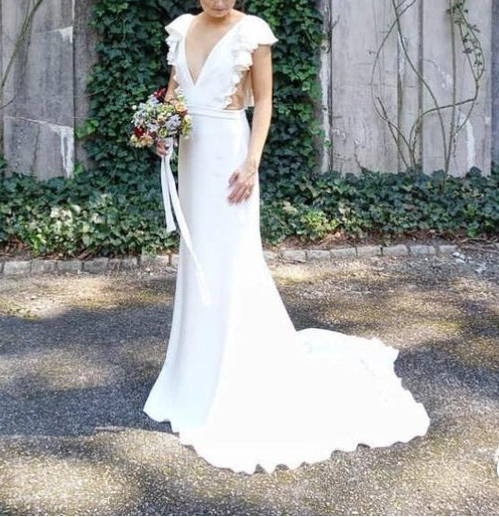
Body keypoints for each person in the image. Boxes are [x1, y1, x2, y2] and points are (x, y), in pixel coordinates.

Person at [143, 0, 431, 475]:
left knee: (233, 260)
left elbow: (264, 101)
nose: (220, 1)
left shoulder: (252, 32)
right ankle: (192, 375)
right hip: (193, 160)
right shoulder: (181, 29)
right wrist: (161, 132)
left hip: (231, 160)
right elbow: (174, 95)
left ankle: (238, 375)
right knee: (199, 261)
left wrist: (251, 162)